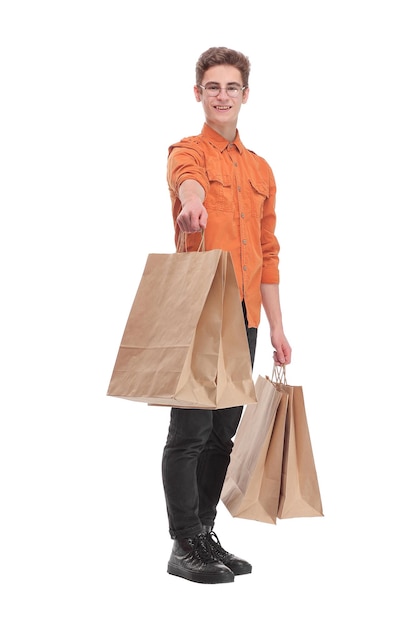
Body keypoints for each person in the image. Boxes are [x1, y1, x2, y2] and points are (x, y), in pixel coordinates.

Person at [162, 46, 292, 584]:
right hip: (199, 312)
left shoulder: (260, 169)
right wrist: (192, 202)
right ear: (198, 93)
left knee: (223, 433)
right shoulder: (186, 151)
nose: (222, 96)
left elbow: (267, 251)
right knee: (190, 430)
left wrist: (278, 325)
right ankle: (183, 543)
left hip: (246, 318)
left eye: (231, 87)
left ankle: (206, 535)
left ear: (245, 94)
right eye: (212, 87)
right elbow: (186, 180)